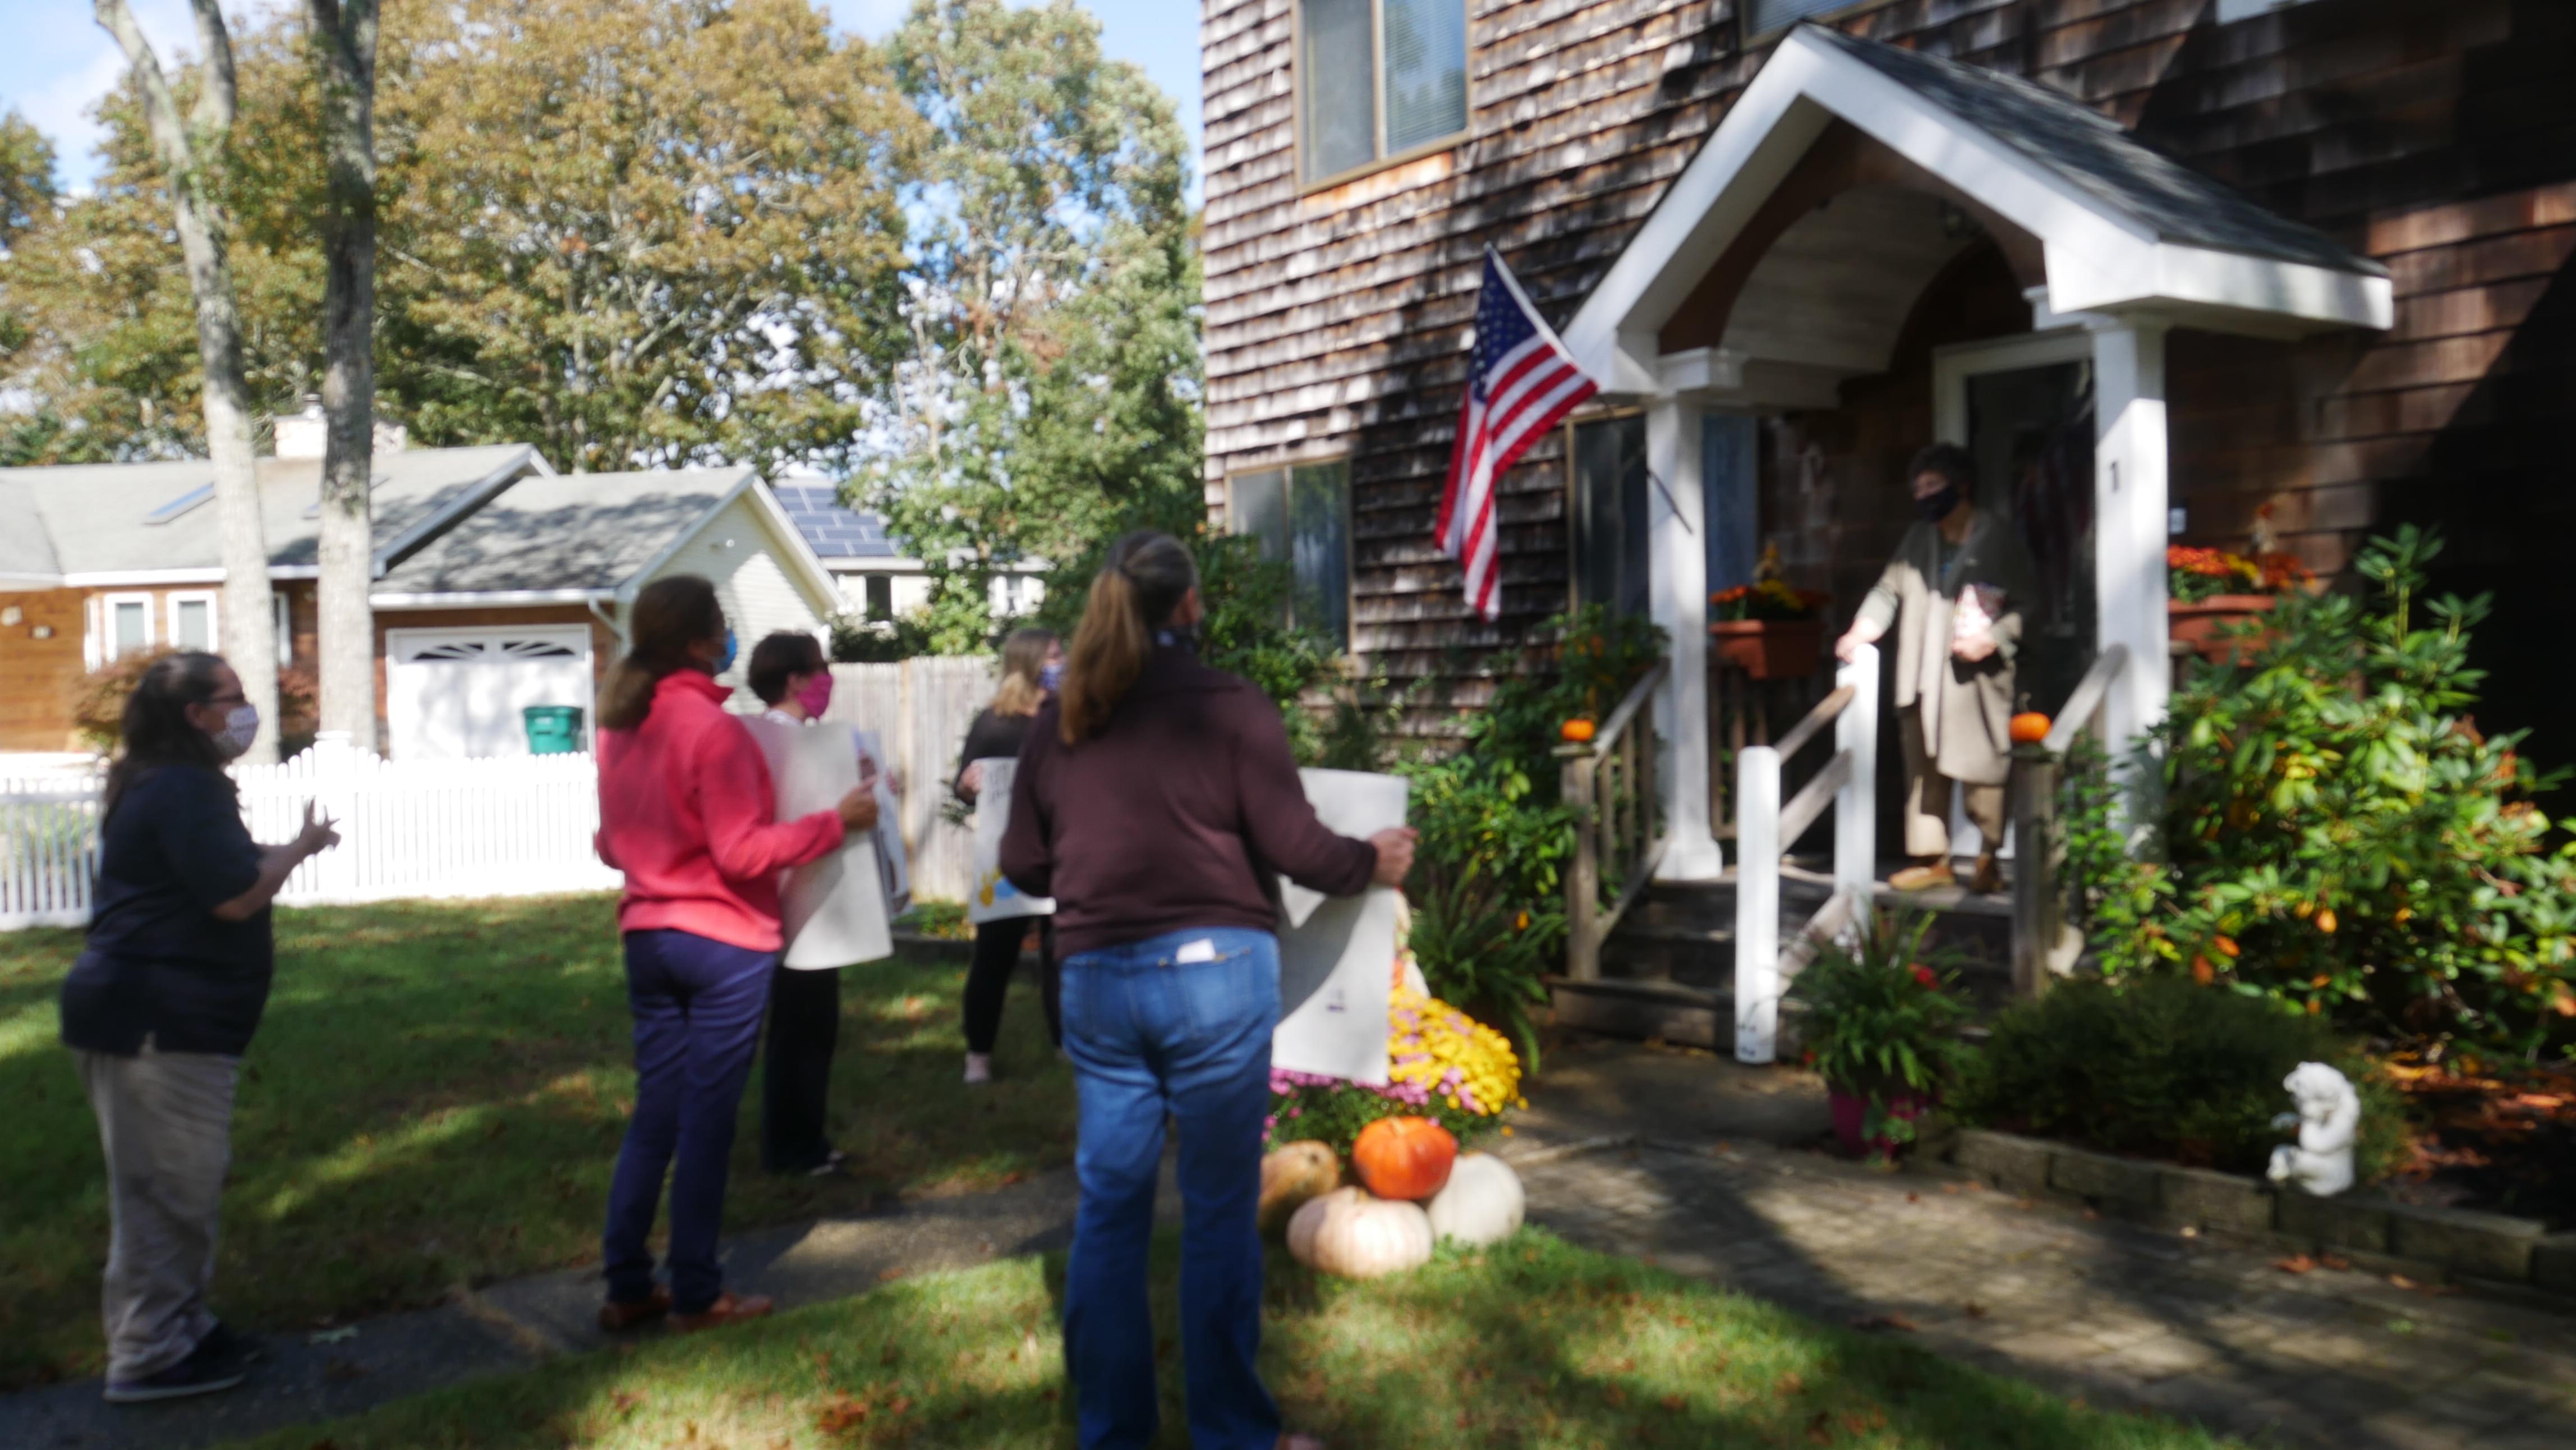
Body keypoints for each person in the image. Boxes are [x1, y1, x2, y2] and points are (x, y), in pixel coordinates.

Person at [1001, 531, 1414, 1450]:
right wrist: (1372, 858)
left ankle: (1114, 1432)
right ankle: (1231, 1430)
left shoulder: (1062, 717)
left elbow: (1021, 858)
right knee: (1219, 1205)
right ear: (1188, 603)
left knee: (1109, 1205)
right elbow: (1299, 848)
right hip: (1216, 979)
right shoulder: (1230, 705)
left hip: (1097, 977)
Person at [592, 578, 878, 1333]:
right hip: (723, 945)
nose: (728, 640)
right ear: (696, 642)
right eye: (720, 628)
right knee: (707, 1124)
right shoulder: (715, 731)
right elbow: (744, 851)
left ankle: (626, 1285)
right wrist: (833, 821)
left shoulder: (620, 724)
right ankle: (696, 1292)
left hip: (647, 937)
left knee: (655, 1115)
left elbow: (610, 844)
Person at [59, 651, 340, 1403]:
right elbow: (236, 899)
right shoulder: (183, 787)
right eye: (233, 699)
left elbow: (226, 868)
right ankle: (148, 1354)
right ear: (195, 715)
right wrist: (289, 861)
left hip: (163, 1017)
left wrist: (295, 848)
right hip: (156, 1021)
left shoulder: (169, 781)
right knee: (164, 1194)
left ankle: (186, 1326)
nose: (246, 710)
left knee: (180, 1186)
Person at [1833, 442, 2038, 895]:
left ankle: (1988, 856)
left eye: (1933, 485)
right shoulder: (1917, 540)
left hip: (1974, 679)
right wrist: (1860, 632)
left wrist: (1994, 639)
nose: (1923, 495)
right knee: (1923, 770)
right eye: (1918, 487)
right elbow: (1887, 593)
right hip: (1920, 674)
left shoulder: (1995, 537)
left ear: (1960, 487)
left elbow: (2026, 605)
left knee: (1982, 766)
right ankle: (1933, 859)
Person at [742, 630, 890, 1177]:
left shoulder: (800, 739)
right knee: (799, 1029)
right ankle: (792, 1146)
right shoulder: (774, 740)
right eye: (819, 671)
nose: (826, 681)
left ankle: (804, 1137)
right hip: (793, 896)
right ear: (795, 679)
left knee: (812, 1026)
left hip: (810, 893)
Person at [953, 626, 1062, 1084]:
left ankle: (1065, 1045)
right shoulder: (995, 723)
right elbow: (963, 787)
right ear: (1032, 664)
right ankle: (978, 1056)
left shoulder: (1071, 718)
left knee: (1062, 955)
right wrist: (968, 785)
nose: (1064, 664)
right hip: (1005, 863)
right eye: (1056, 656)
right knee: (994, 957)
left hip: (1064, 854)